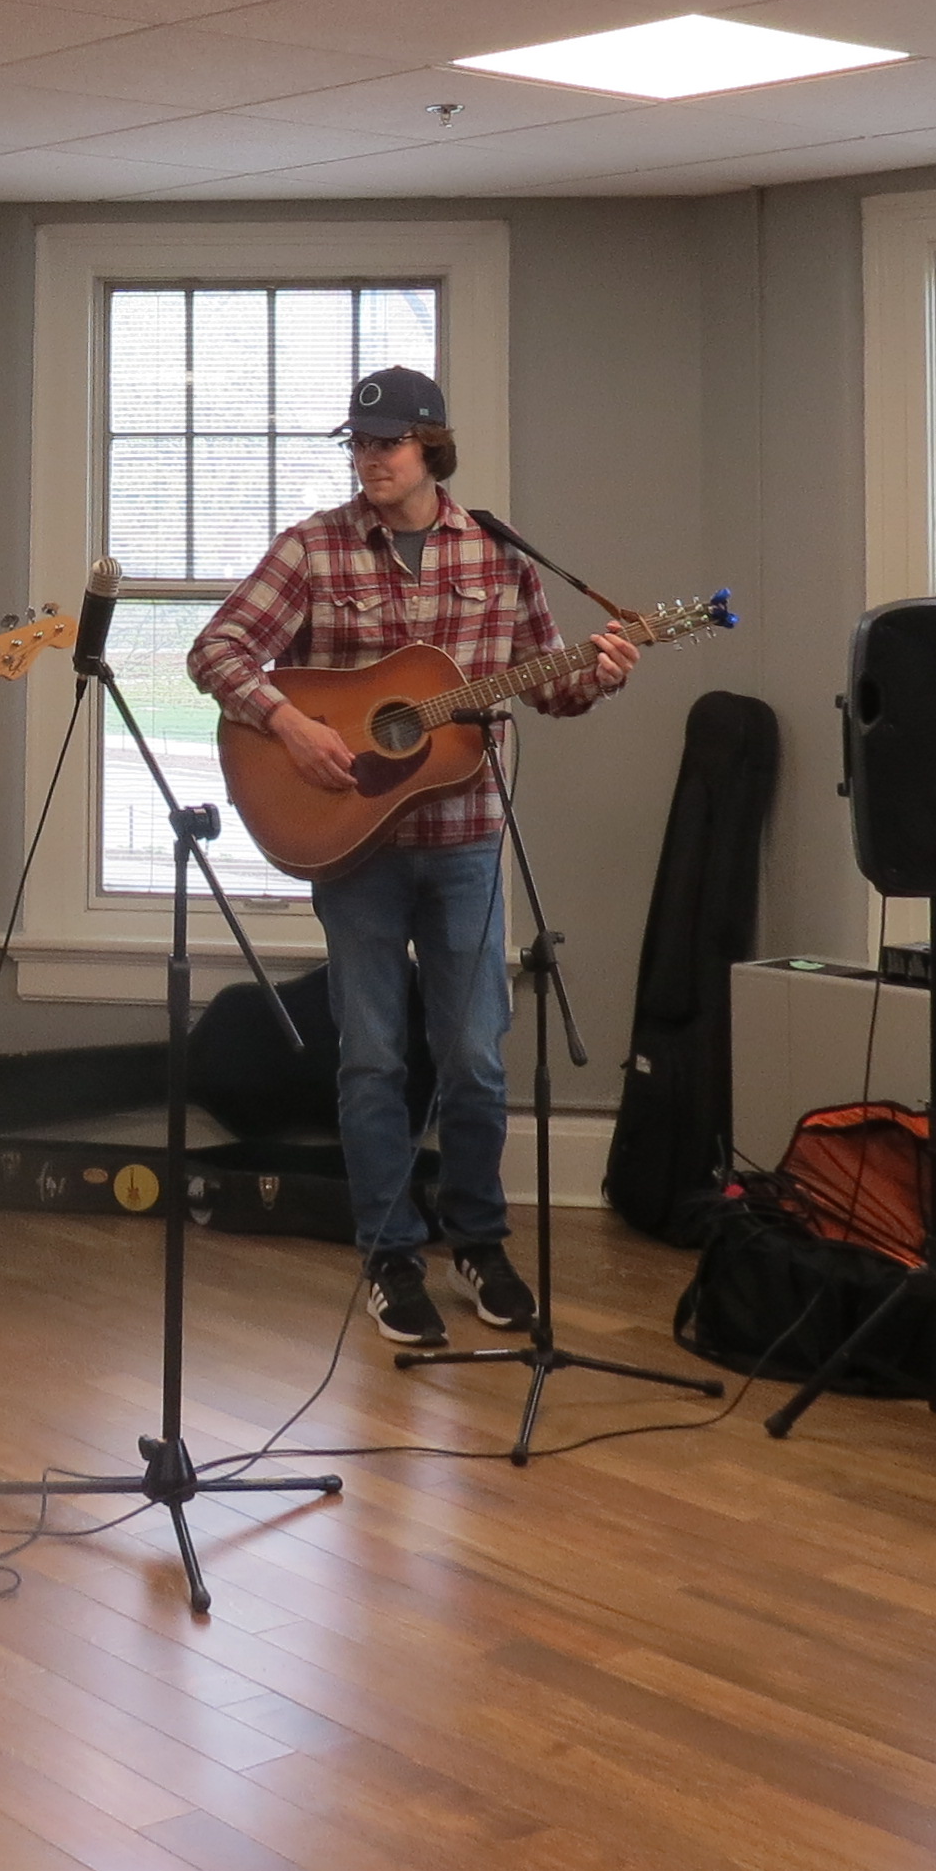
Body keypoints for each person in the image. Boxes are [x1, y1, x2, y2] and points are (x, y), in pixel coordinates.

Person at [187, 365, 637, 1353]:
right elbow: (214, 652)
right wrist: (292, 727)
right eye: (356, 443)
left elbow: (549, 689)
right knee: (373, 1057)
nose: (368, 460)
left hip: (467, 837)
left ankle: (478, 1240)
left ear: (432, 446)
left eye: (385, 443)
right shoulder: (310, 548)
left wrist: (595, 676)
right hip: (353, 846)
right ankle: (389, 1252)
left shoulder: (498, 552)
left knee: (475, 1056)